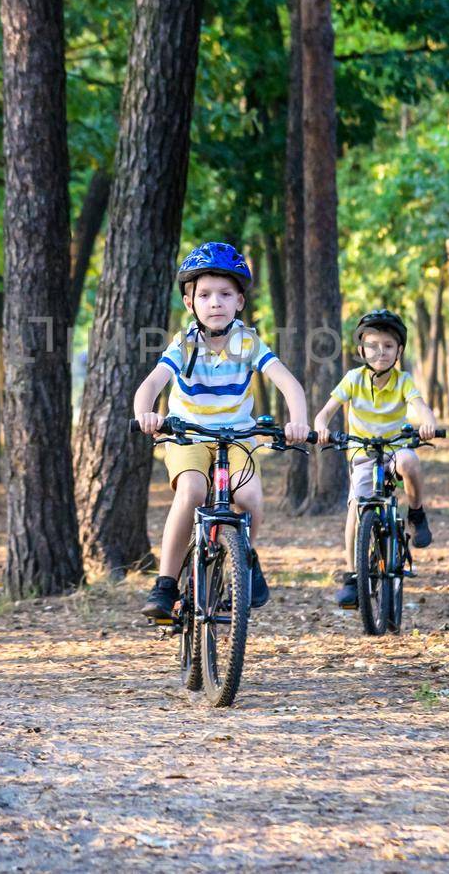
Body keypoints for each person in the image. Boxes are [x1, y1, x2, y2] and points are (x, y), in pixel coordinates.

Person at [134, 242, 311, 621]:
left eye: (226, 294)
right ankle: (165, 583)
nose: (216, 302)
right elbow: (150, 385)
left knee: (250, 500)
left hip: (236, 438)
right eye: (206, 295)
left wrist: (298, 420)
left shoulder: (248, 343)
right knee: (193, 490)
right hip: (189, 435)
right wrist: (146, 414)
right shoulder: (183, 344)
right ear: (190, 303)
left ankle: (243, 563)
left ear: (240, 302)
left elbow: (289, 384)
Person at [311, 309, 438, 611]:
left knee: (409, 462)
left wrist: (428, 423)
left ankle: (417, 514)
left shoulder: (403, 380)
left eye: (389, 346)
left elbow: (421, 407)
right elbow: (326, 411)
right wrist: (321, 426)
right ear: (361, 350)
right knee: (356, 509)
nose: (380, 352)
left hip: (395, 450)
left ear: (399, 351)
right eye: (373, 345)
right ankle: (353, 576)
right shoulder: (353, 379)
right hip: (363, 455)